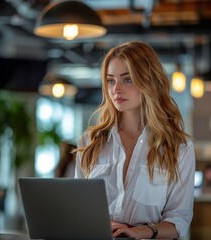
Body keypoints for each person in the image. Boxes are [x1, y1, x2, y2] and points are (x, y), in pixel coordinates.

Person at [74, 41, 195, 240]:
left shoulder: (179, 147)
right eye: (111, 80)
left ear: (149, 81)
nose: (116, 89)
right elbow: (79, 208)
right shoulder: (89, 142)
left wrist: (137, 232)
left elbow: (179, 220)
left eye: (127, 79)